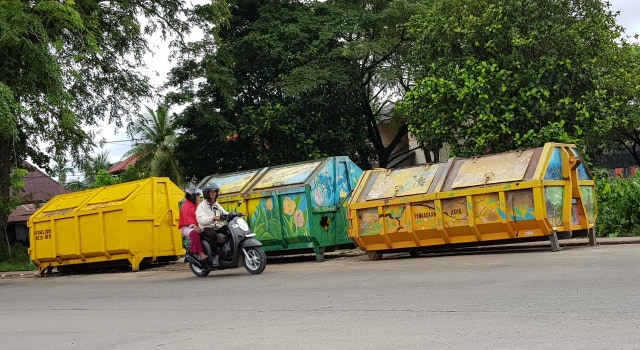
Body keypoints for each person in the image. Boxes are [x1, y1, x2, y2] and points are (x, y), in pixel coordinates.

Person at [196, 182, 228, 267]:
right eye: (211, 192)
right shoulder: (201, 207)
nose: (213, 193)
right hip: (206, 228)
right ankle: (215, 256)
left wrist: (235, 214)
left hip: (217, 226)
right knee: (212, 233)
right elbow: (201, 220)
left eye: (215, 192)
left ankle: (227, 250)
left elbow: (224, 212)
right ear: (207, 193)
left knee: (228, 228)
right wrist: (212, 219)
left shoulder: (216, 204)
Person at [179, 186, 208, 260]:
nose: (199, 198)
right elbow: (187, 219)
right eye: (197, 196)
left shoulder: (197, 205)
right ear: (192, 196)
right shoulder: (185, 206)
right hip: (186, 227)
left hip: (197, 225)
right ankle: (200, 254)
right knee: (194, 233)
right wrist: (194, 227)